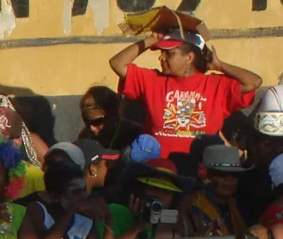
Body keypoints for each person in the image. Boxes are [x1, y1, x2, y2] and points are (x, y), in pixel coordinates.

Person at [109, 21, 261, 161]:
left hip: (202, 172)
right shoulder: (153, 80)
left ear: (189, 58)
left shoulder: (216, 85)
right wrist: (151, 39)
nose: (161, 58)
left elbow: (253, 82)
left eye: (169, 54)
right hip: (159, 170)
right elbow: (117, 63)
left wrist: (220, 66)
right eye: (161, 53)